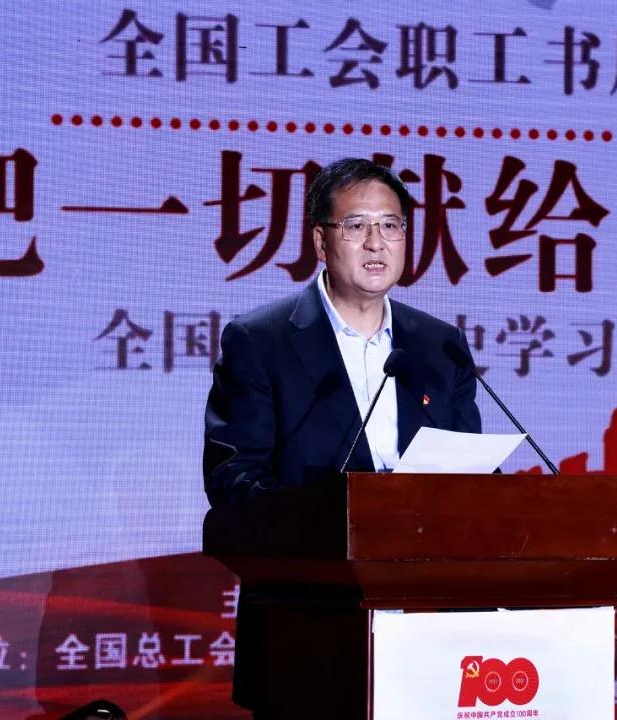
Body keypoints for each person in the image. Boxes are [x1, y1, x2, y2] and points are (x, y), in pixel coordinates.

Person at [202, 157, 482, 714]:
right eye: (357, 226)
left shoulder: (440, 345)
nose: (377, 242)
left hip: (431, 629)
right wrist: (332, 516)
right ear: (320, 241)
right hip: (308, 628)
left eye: (391, 225)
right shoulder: (260, 341)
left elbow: (472, 479)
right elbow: (233, 478)